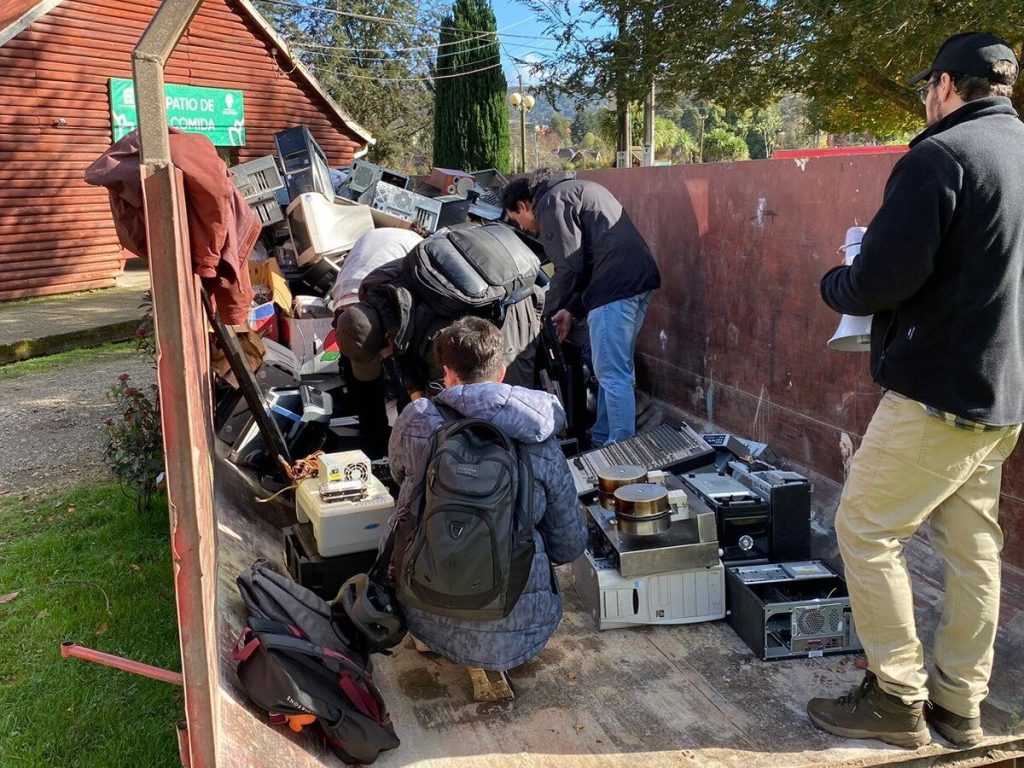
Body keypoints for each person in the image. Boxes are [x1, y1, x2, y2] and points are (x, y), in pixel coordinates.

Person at [809, 32, 1024, 749]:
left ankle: (897, 697)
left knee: (864, 530)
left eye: (927, 86)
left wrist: (837, 281)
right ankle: (960, 705)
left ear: (946, 85)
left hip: (940, 393)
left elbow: (881, 280)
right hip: (1004, 396)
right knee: (972, 549)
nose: (926, 99)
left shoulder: (939, 158)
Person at [386, 316, 586, 670]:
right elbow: (568, 544)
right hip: (520, 631)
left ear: (448, 373)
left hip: (423, 612)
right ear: (502, 373)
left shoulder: (417, 419)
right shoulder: (537, 432)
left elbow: (397, 474)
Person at [500, 170, 660, 447]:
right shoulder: (572, 191)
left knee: (612, 373)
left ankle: (621, 448)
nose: (523, 228)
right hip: (635, 281)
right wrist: (570, 310)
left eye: (517, 220)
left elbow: (569, 269)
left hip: (614, 288)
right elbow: (586, 262)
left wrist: (543, 312)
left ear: (523, 205)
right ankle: (602, 439)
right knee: (613, 369)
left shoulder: (550, 203)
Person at [331, 228, 423, 457]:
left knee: (361, 373)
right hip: (377, 303)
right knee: (405, 380)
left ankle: (372, 446)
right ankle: (407, 448)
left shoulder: (373, 233)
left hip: (344, 304)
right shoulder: (419, 243)